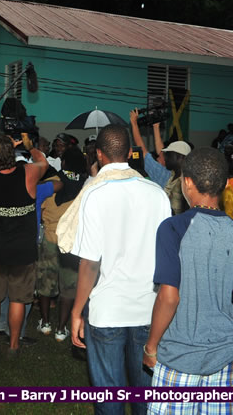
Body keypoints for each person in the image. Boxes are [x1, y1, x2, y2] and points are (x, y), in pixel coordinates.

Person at [143, 147, 233, 415]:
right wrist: (226, 340)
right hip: (224, 360)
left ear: (187, 182)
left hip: (178, 359)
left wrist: (151, 347)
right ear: (224, 185)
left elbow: (169, 296)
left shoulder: (172, 229)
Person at [69, 124, 171, 415]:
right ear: (130, 152)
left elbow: (89, 263)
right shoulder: (157, 194)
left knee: (109, 397)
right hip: (149, 309)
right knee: (145, 396)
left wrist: (77, 311)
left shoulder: (94, 193)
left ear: (99, 155)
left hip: (107, 311)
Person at [0, 133, 48, 359]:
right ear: (12, 153)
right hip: (23, 251)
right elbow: (43, 162)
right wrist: (28, 146)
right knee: (18, 299)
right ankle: (14, 345)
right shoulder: (28, 173)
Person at [36, 145, 86, 342]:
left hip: (49, 239)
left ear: (63, 163)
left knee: (45, 283)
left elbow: (38, 209)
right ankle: (61, 329)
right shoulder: (86, 186)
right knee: (69, 287)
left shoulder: (51, 183)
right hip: (73, 244)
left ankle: (46, 323)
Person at [130, 109, 190, 215]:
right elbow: (161, 153)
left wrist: (134, 124)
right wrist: (156, 127)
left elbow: (143, 151)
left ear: (179, 157)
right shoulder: (188, 178)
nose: (165, 156)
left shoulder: (166, 177)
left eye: (168, 154)